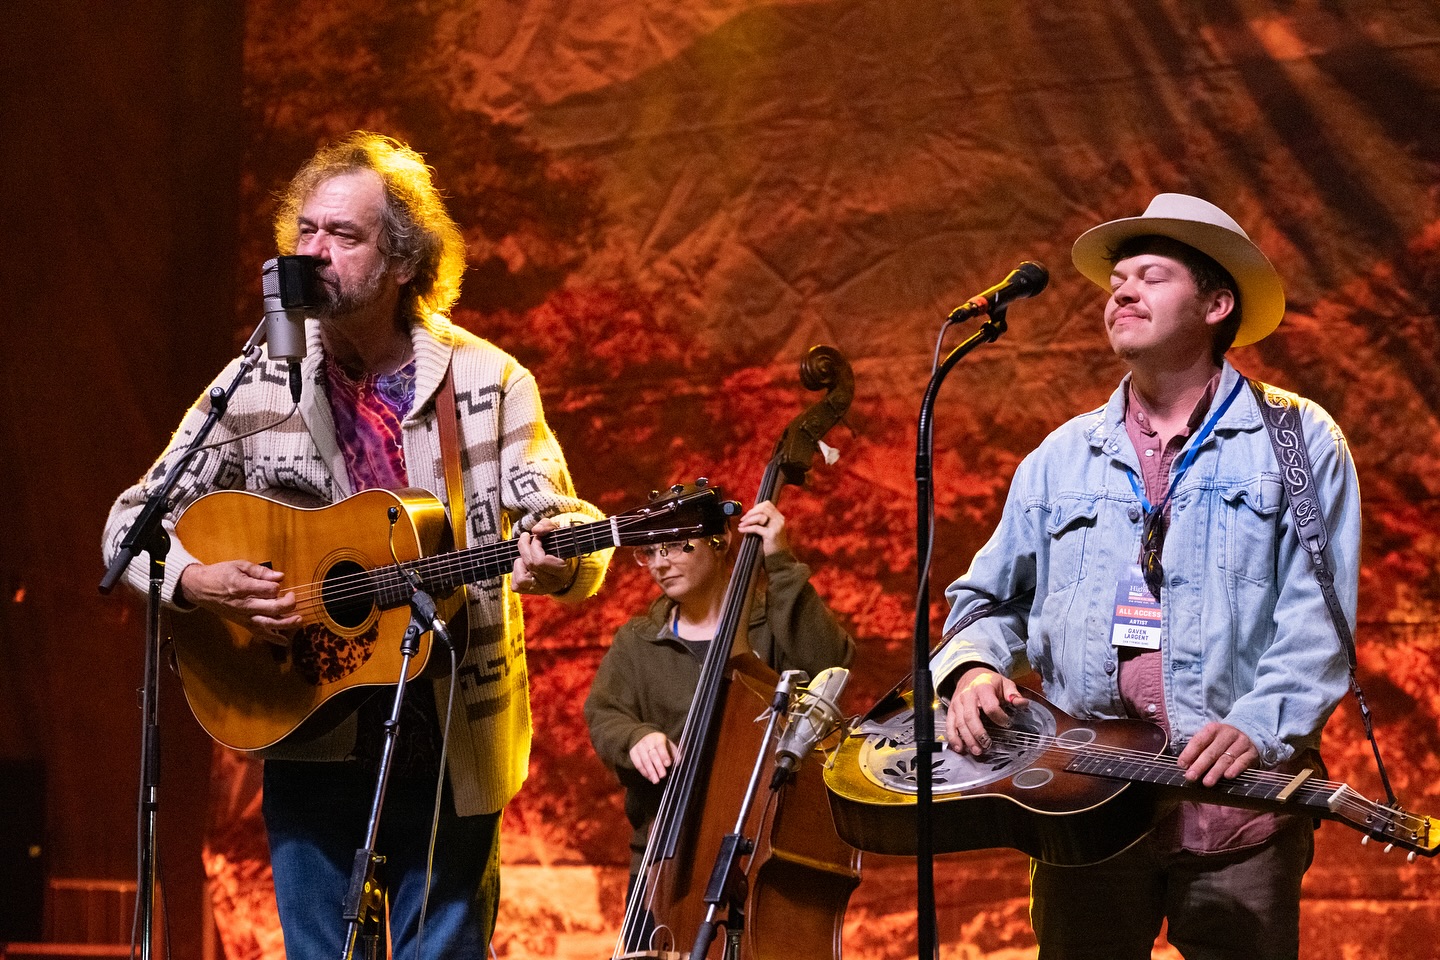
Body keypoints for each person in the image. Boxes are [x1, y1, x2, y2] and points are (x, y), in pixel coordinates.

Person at [103, 132, 611, 959]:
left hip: (449, 732)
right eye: (305, 230)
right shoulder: (258, 381)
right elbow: (130, 523)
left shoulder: (489, 381)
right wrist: (197, 582)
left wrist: (564, 554)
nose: (314, 251)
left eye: (344, 235)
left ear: (403, 260)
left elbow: (554, 511)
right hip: (306, 719)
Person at [932, 194, 1359, 959]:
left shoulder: (1298, 442)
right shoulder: (1060, 458)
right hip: (1083, 816)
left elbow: (1317, 621)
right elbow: (986, 600)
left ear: (1216, 305)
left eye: (1151, 276)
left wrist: (1259, 726)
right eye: (1117, 281)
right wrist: (969, 670)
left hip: (1237, 815)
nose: (1122, 291)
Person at [584, 498, 855, 889]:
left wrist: (779, 561)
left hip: (763, 847)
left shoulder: (773, 622)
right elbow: (604, 714)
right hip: (668, 858)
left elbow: (830, 663)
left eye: (674, 545)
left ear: (720, 540)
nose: (660, 563)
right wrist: (635, 737)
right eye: (650, 551)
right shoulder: (637, 641)